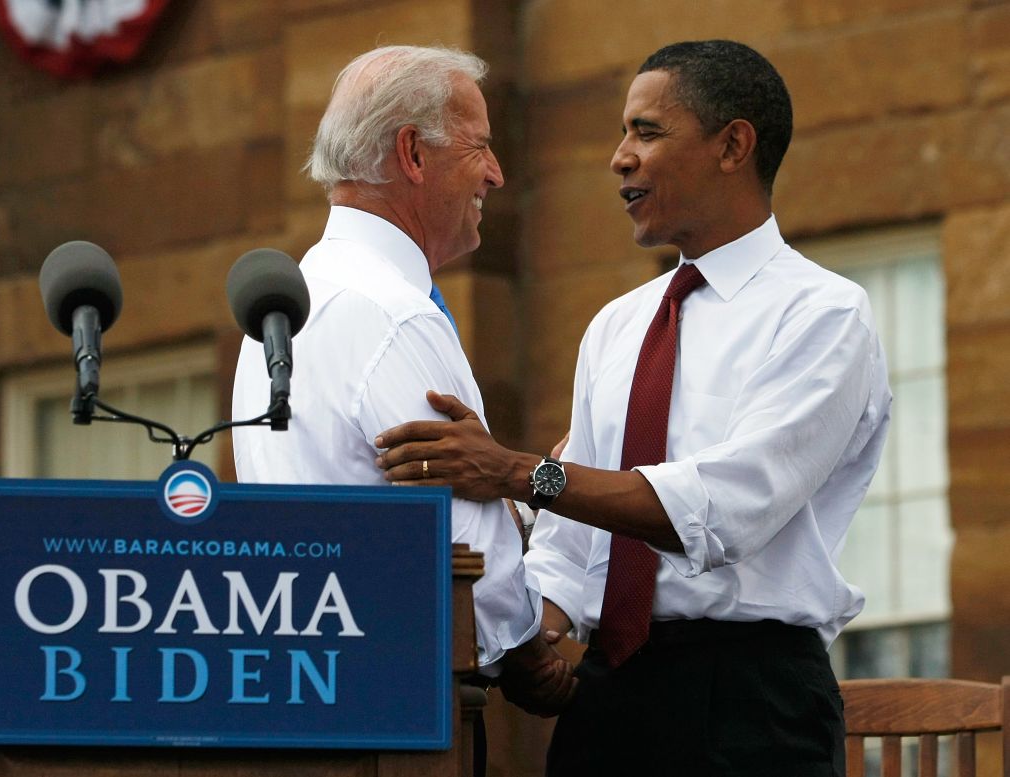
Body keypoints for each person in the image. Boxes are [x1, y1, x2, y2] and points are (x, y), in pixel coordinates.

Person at [374, 40, 891, 776]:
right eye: (622, 132)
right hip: (609, 694)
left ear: (732, 145)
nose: (620, 157)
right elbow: (573, 536)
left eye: (646, 131)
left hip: (752, 701)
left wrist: (517, 472)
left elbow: (722, 507)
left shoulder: (824, 315)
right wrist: (534, 641)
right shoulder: (618, 325)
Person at [230, 45, 576, 761]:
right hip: (410, 720)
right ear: (414, 153)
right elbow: (460, 536)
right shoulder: (393, 316)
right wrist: (534, 659)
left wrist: (526, 498)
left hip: (313, 702)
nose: (497, 173)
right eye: (480, 146)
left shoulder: (295, 299)